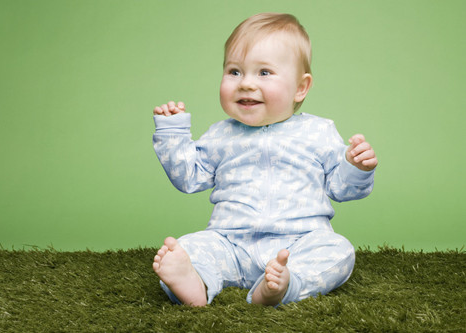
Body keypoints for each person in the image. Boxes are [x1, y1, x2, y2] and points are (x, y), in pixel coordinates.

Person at [151, 13, 378, 307]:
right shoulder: (220, 135)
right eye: (234, 71)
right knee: (187, 247)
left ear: (300, 87)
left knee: (339, 250)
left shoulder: (318, 131)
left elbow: (341, 189)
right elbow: (188, 178)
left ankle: (285, 284)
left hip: (299, 243)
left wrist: (356, 167)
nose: (245, 83)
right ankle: (194, 284)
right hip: (229, 243)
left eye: (264, 73)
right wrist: (173, 133)